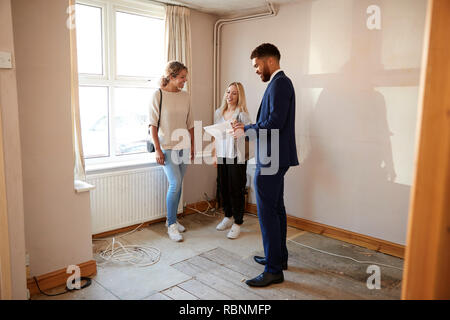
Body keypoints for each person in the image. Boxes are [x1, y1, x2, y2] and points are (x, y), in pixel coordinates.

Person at [232, 43, 299, 287]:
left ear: (269, 60)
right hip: (275, 157)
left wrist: (246, 129)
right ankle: (278, 259)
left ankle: (273, 271)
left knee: (267, 214)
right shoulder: (279, 83)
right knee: (276, 209)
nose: (256, 71)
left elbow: (274, 122)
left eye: (257, 65)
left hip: (272, 158)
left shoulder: (280, 83)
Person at [149, 61, 194, 242]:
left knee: (179, 184)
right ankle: (171, 225)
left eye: (185, 77)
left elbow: (190, 123)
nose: (185, 81)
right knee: (175, 184)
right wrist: (158, 150)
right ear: (172, 77)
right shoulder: (158, 95)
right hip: (167, 147)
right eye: (182, 77)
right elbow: (152, 125)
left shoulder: (186, 96)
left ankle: (172, 220)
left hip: (184, 146)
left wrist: (193, 146)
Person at [212, 82, 251, 239]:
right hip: (222, 155)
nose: (230, 96)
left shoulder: (242, 115)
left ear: (239, 96)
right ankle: (228, 217)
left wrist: (239, 130)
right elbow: (216, 135)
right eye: (228, 92)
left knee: (237, 189)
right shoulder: (218, 112)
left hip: (237, 156)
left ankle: (238, 222)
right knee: (223, 187)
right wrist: (214, 155)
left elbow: (250, 136)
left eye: (234, 93)